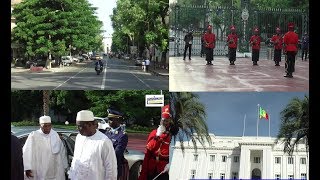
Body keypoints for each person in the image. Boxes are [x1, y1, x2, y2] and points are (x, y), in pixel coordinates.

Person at [68, 110, 117, 180]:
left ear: (90, 125)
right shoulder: (79, 137)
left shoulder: (103, 142)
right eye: (77, 126)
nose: (78, 129)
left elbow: (111, 169)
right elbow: (76, 159)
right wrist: (71, 176)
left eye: (80, 126)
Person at [23, 115, 68, 180]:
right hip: (39, 168)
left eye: (49, 125)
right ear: (40, 125)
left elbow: (62, 151)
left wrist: (64, 165)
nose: (47, 128)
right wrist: (27, 167)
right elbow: (27, 151)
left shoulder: (55, 134)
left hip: (55, 169)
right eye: (45, 126)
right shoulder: (34, 135)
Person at [138, 105, 172, 180]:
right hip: (152, 166)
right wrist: (157, 136)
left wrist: (171, 164)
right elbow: (148, 150)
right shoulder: (154, 133)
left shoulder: (172, 135)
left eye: (167, 121)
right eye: (163, 120)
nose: (164, 123)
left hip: (164, 168)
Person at [105, 109, 129, 180]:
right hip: (103, 167)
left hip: (113, 167)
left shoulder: (122, 135)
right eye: (108, 119)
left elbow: (117, 153)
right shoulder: (106, 132)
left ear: (118, 121)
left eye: (111, 119)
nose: (109, 121)